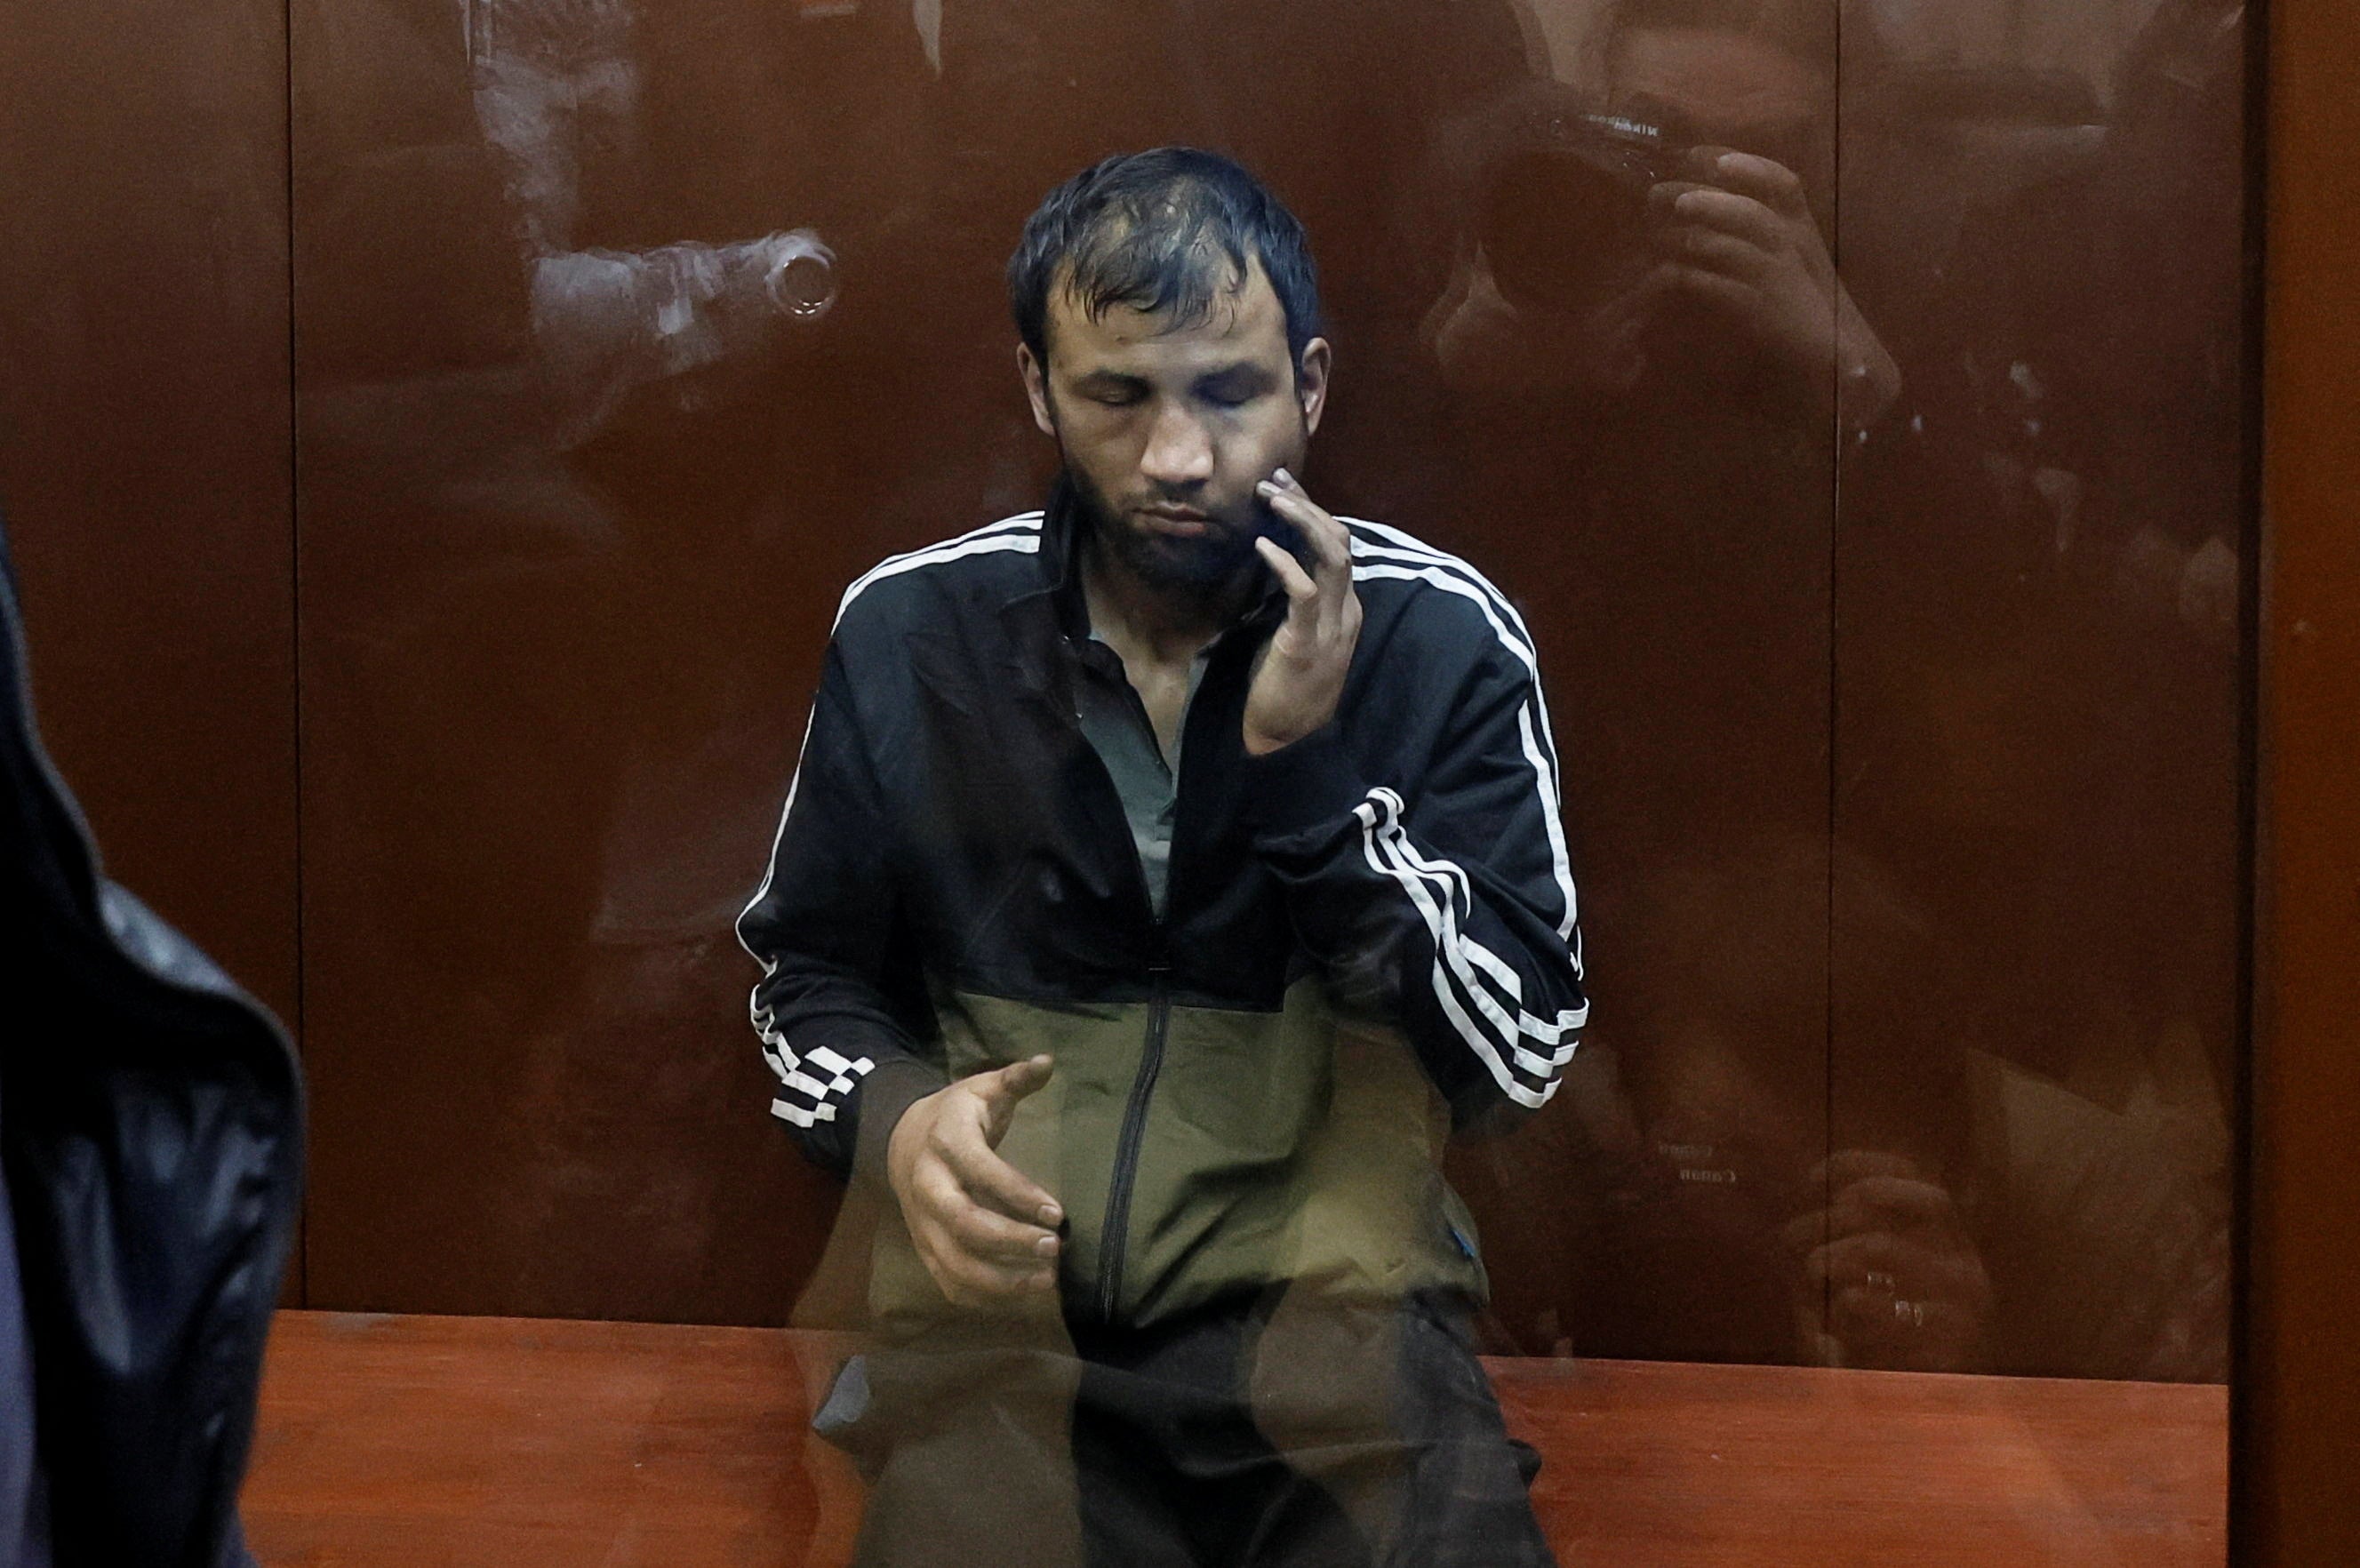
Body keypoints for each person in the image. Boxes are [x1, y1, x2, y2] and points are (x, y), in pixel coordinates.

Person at [737, 148, 1586, 1567]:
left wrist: (1309, 779)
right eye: (1117, 396)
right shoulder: (916, 631)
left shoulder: (1437, 637)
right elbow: (803, 982)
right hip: (1005, 1355)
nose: (1179, 459)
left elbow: (1516, 1065)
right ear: (1036, 389)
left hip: (1347, 1358)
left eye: (1229, 393)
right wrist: (896, 1121)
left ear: (1311, 386)